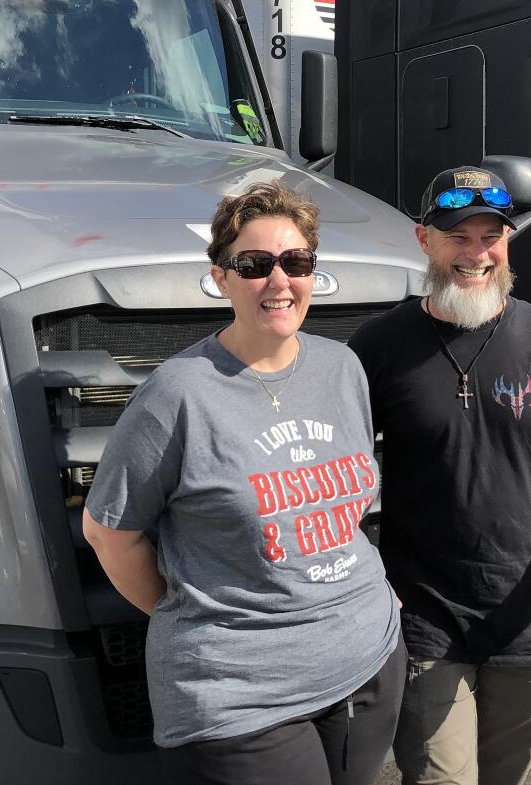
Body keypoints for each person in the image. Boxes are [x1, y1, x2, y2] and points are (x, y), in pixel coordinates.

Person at [84, 180, 405, 785]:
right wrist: (193, 616)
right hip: (240, 694)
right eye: (255, 264)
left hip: (367, 662)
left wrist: (376, 601)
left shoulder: (342, 368)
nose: (280, 281)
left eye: (297, 262)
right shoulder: (177, 394)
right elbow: (108, 535)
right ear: (220, 276)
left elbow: (350, 509)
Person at [348, 165, 531, 785]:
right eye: (458, 236)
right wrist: (363, 582)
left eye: (491, 236)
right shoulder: (378, 347)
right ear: (425, 240)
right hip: (423, 624)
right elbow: (333, 474)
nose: (475, 253)